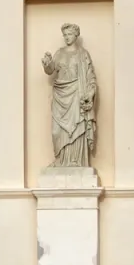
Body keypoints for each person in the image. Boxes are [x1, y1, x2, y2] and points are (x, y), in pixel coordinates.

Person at [41, 23, 97, 167]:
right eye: (65, 35)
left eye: (69, 34)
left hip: (77, 94)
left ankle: (75, 160)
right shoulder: (59, 53)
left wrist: (90, 94)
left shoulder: (83, 54)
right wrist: (47, 64)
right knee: (56, 131)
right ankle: (60, 159)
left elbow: (91, 77)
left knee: (77, 127)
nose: (67, 37)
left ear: (76, 35)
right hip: (61, 95)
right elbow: (50, 70)